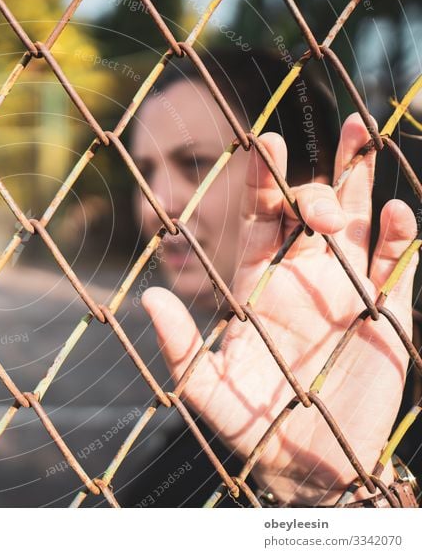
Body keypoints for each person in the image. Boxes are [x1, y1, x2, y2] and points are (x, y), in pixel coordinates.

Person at [116, 48, 420, 507]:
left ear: (302, 179)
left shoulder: (395, 399)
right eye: (145, 171)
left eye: (195, 164)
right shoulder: (202, 433)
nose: (157, 202)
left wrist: (346, 495)